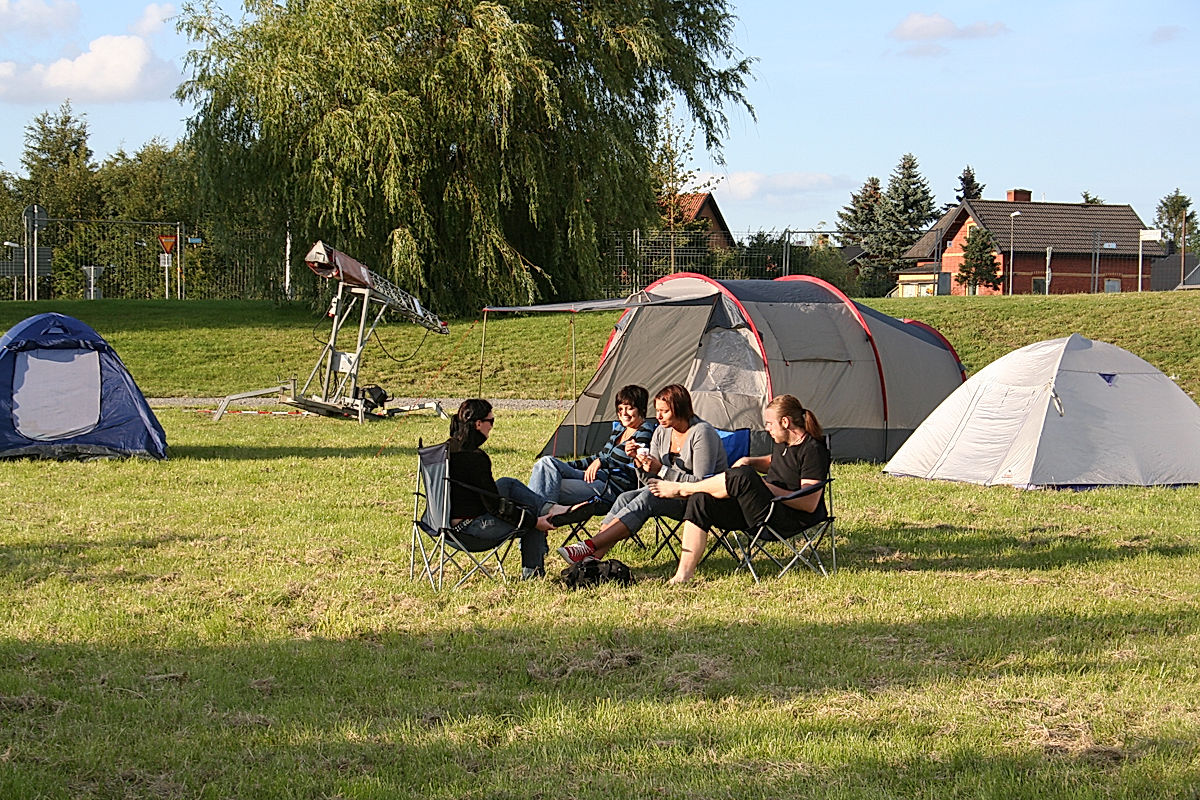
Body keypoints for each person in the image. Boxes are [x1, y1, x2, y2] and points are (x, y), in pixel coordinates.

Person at [650, 395, 829, 584]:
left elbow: (808, 503)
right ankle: (683, 575)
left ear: (785, 422)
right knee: (700, 500)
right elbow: (778, 463)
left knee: (744, 477)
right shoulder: (784, 443)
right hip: (760, 510)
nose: (767, 429)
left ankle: (683, 488)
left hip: (785, 517)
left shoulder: (813, 451)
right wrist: (750, 461)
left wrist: (766, 487)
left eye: (769, 424)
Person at [556, 384, 727, 564]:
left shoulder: (701, 433)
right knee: (625, 497)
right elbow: (649, 480)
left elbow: (702, 483)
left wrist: (661, 469)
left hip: (699, 500)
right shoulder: (661, 431)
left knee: (648, 496)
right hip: (667, 492)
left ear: (680, 409)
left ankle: (589, 545)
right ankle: (592, 558)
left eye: (665, 411)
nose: (658, 416)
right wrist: (639, 462)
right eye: (658, 410)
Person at [446, 399, 556, 579]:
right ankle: (533, 576)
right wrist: (533, 521)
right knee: (531, 517)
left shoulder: (446, 449)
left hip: (442, 523)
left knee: (507, 483)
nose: (492, 426)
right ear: (478, 424)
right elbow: (495, 507)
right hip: (468, 530)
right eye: (491, 421)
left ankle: (549, 508)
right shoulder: (474, 458)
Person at [527, 384, 657, 520]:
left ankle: (535, 519)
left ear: (641, 409)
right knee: (548, 466)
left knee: (543, 489)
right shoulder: (620, 429)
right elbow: (600, 456)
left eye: (629, 408)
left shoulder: (645, 431)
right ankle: (541, 518)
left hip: (611, 488)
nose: (623, 413)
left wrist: (601, 462)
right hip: (595, 477)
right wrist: (567, 466)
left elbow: (631, 460)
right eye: (620, 409)